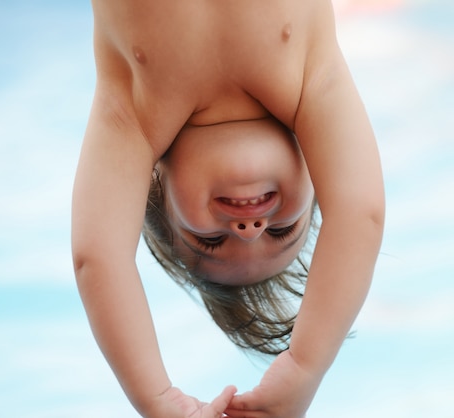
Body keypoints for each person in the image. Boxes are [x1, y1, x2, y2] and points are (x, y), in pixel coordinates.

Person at [71, 0, 385, 417]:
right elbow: (358, 215)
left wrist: (158, 401)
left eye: (209, 240)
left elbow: (99, 259)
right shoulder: (309, 77)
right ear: (316, 175)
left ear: (153, 188)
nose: (250, 229)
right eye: (282, 231)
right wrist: (304, 366)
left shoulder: (135, 112)